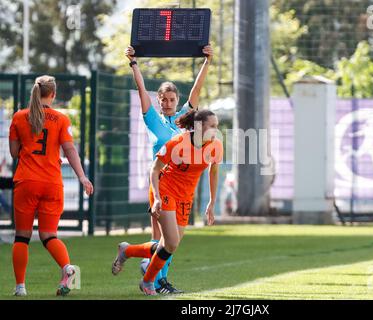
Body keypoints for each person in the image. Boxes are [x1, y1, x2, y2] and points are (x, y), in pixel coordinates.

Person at [111, 45, 213, 294]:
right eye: (163, 100)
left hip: (182, 187)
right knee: (164, 240)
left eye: (171, 100)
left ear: (177, 100)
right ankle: (157, 282)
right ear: (158, 101)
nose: (167, 103)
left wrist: (207, 62)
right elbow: (141, 90)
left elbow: (196, 91)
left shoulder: (183, 121)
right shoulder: (152, 119)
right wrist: (134, 63)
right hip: (161, 182)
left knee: (170, 241)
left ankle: (129, 251)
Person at [114, 109, 222, 296]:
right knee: (171, 242)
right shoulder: (178, 142)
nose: (216, 130)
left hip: (185, 196)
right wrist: (156, 197)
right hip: (164, 189)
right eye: (212, 126)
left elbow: (213, 172)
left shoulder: (216, 145)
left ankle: (127, 250)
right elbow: (154, 170)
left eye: (217, 126)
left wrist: (212, 201)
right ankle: (148, 282)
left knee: (170, 244)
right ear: (199, 126)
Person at [9, 75, 94, 297]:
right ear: (53, 94)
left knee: (22, 237)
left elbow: (14, 153)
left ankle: (20, 288)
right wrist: (83, 178)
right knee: (49, 235)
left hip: (26, 181)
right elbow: (70, 150)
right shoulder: (61, 119)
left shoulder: (19, 117)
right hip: (52, 183)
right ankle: (67, 269)